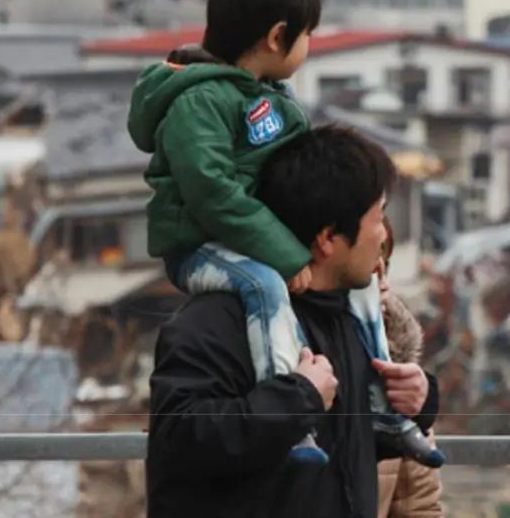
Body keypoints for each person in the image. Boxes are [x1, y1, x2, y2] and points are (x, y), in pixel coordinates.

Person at [128, 0, 442, 467]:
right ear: (277, 36)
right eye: (307, 34)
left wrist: (421, 397)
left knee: (363, 288)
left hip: (256, 240)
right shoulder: (198, 101)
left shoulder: (271, 96)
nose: (309, 46)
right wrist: (285, 252)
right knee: (264, 286)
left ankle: (385, 407)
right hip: (201, 246)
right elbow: (211, 189)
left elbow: (295, 177)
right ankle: (299, 418)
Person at [146, 126, 442, 518]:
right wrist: (297, 397)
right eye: (378, 216)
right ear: (327, 239)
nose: (383, 235)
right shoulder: (218, 322)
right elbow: (179, 443)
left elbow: (343, 456)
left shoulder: (346, 319)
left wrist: (419, 399)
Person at [375, 220, 444, 518]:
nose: (382, 284)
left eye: (384, 267)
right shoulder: (285, 359)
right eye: (369, 268)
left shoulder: (400, 380)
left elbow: (419, 507)